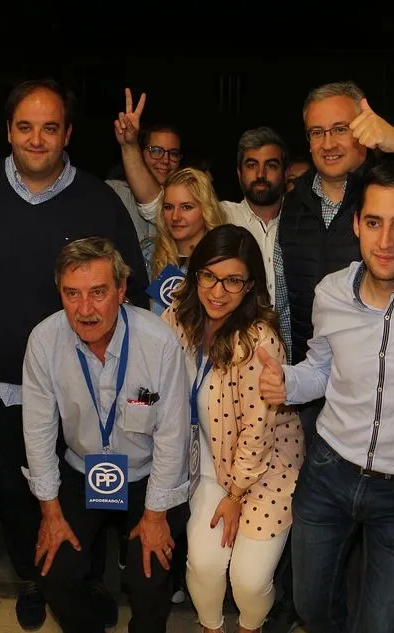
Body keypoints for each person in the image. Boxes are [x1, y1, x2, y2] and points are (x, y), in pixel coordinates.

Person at [0, 78, 148, 630]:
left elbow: (133, 288)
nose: (37, 139)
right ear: (9, 131)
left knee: (88, 488)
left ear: (68, 134)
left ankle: (86, 580)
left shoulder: (99, 199)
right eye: (26, 127)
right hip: (0, 383)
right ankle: (33, 578)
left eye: (50, 128)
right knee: (15, 490)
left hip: (83, 386)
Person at [259, 160, 394, 633]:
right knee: (311, 605)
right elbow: (320, 370)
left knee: (381, 623)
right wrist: (288, 382)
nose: (385, 241)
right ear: (356, 225)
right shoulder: (330, 292)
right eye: (373, 222)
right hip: (329, 472)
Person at [22, 237, 191, 633]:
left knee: (150, 577)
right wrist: (50, 513)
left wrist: (155, 516)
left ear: (121, 289)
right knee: (53, 571)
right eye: (72, 294)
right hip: (81, 469)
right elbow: (38, 431)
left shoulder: (159, 342)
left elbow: (172, 436)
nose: (85, 309)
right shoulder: (44, 341)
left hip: (148, 473)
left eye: (98, 292)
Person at [275, 80, 394, 448]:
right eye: (317, 132)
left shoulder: (393, 191)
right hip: (313, 389)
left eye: (340, 129)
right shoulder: (293, 203)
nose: (328, 143)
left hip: (389, 410)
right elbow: (286, 298)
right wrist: (290, 376)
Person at [161, 224, 303, 633]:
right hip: (208, 460)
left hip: (265, 468)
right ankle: (210, 627)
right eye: (209, 275)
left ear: (250, 285)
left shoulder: (259, 341)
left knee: (249, 580)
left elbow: (258, 432)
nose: (218, 291)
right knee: (204, 565)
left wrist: (235, 495)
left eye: (233, 280)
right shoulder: (177, 318)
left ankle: (250, 627)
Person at [108, 88, 183, 255]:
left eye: (173, 153)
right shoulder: (114, 192)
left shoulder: (188, 199)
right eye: (156, 151)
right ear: (140, 152)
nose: (165, 160)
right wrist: (129, 145)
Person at [221, 127, 289, 304]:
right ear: (239, 173)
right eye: (251, 165)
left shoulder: (302, 220)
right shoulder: (221, 216)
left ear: (285, 174)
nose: (260, 174)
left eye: (271, 165)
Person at [147, 167, 226, 314]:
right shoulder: (149, 254)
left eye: (186, 207)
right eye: (168, 207)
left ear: (206, 209)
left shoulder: (225, 258)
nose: (175, 216)